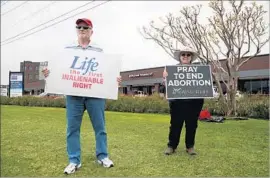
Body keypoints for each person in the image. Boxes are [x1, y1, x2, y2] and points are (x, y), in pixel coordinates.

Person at [42, 18, 122, 174]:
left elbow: (105, 71)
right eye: (79, 27)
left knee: (100, 127)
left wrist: (114, 79)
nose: (82, 29)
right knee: (72, 129)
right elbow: (60, 70)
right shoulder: (67, 49)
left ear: (92, 31)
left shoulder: (99, 51)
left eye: (85, 27)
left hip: (95, 95)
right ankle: (74, 160)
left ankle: (103, 156)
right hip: (74, 95)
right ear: (76, 30)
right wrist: (48, 74)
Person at [163, 47, 204, 156]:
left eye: (188, 54)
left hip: (194, 102)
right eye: (183, 54)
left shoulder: (199, 70)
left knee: (192, 125)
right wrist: (165, 79)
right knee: (175, 124)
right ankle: (171, 146)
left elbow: (204, 84)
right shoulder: (171, 70)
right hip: (177, 102)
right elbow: (167, 86)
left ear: (191, 58)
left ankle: (190, 146)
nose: (185, 56)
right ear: (180, 57)